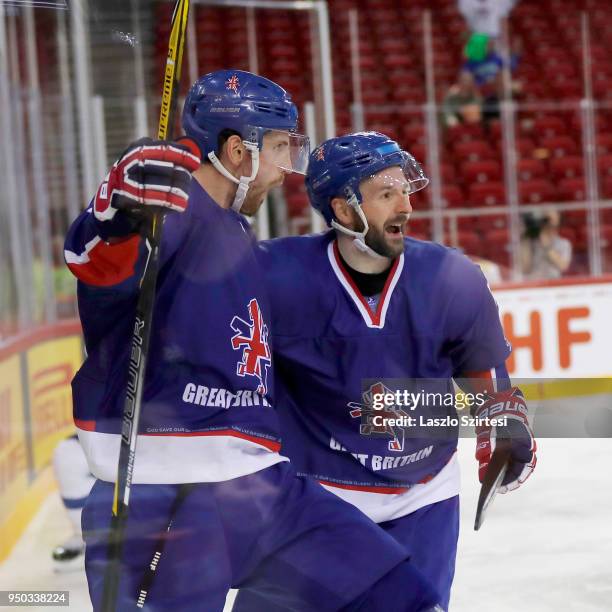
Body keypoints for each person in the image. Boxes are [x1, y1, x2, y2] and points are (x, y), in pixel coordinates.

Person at [64, 71, 443, 611]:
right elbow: (94, 263)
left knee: (400, 595)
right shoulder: (172, 207)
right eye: (281, 148)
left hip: (260, 485)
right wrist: (116, 212)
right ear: (238, 151)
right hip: (163, 494)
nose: (289, 169)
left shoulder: (236, 228)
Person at [233, 132, 537, 611]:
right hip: (315, 500)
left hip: (422, 498)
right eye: (385, 194)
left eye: (404, 190)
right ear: (344, 210)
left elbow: (484, 368)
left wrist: (501, 423)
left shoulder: (450, 276)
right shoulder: (277, 277)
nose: (405, 207)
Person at [51, 435, 95, 572]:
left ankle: (85, 542)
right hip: (88, 512)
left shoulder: (62, 447)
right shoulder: (78, 452)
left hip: (79, 515)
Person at [520, 208, 572, 279]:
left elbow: (563, 266)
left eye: (550, 219)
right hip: (534, 282)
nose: (548, 223)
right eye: (545, 219)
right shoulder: (532, 242)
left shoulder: (563, 243)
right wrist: (526, 240)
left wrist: (546, 244)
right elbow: (525, 268)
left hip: (553, 282)